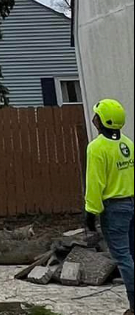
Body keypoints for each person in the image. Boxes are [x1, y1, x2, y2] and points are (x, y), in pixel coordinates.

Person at [84, 98, 134, 313]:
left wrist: (90, 213)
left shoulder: (97, 148)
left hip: (114, 209)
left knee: (123, 257)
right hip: (132, 204)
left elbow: (95, 182)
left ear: (101, 121)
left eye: (96, 115)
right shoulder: (128, 144)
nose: (94, 118)